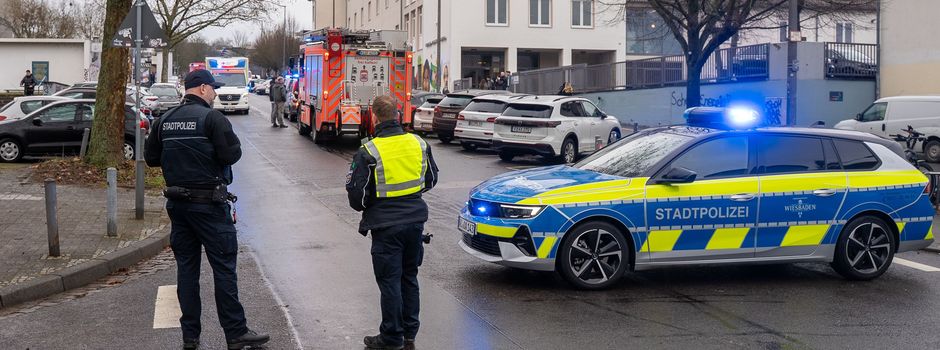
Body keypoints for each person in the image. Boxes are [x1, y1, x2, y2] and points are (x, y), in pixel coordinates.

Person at [144, 69, 270, 350]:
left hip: (178, 207)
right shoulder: (212, 118)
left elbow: (151, 158)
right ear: (201, 89)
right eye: (212, 88)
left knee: (187, 272)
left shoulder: (164, 120)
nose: (214, 93)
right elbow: (231, 155)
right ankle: (235, 333)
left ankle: (190, 337)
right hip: (210, 207)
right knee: (224, 270)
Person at [346, 96, 439, 350]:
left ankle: (391, 337)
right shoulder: (418, 143)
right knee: (409, 277)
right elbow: (430, 179)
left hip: (386, 226)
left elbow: (358, 197)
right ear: (398, 115)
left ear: (374, 117)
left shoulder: (369, 150)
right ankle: (409, 334)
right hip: (415, 222)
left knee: (389, 281)